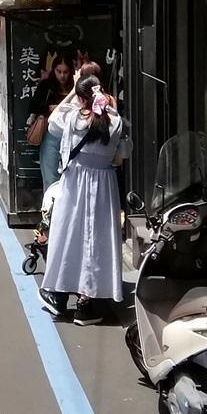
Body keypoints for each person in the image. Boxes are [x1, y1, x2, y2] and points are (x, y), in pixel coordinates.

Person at [39, 73, 129, 325]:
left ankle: (59, 293)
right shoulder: (115, 120)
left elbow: (53, 120)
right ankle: (87, 302)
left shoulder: (70, 118)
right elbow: (120, 154)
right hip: (103, 183)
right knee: (97, 238)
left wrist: (72, 94)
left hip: (74, 183)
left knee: (70, 236)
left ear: (80, 97)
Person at [27, 52, 75, 192]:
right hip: (50, 134)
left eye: (65, 72)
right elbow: (33, 107)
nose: (62, 76)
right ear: (53, 70)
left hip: (73, 136)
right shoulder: (46, 85)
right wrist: (50, 108)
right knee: (51, 176)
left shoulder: (75, 86)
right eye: (59, 71)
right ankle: (51, 210)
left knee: (71, 178)